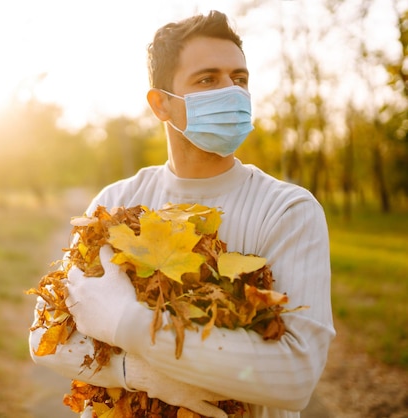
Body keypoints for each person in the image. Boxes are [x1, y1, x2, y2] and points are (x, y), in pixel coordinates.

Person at [29, 10, 335, 418]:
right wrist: (135, 372)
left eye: (239, 79)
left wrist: (128, 324)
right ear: (161, 105)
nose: (232, 92)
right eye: (208, 79)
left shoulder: (288, 210)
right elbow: (44, 340)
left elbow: (296, 375)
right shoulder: (117, 200)